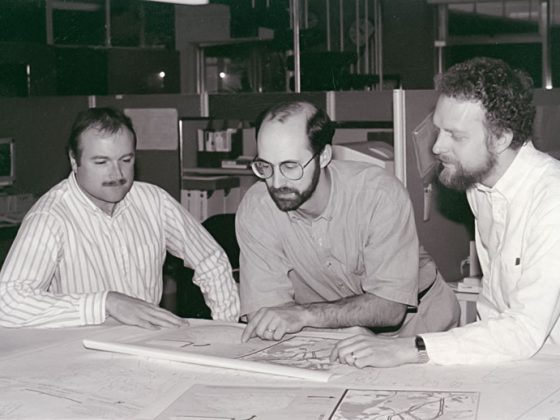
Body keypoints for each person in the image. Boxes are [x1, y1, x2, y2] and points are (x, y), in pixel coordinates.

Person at [330, 56, 560, 367]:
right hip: (516, 365)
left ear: (502, 138)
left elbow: (524, 329)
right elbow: (494, 308)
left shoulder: (551, 200)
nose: (437, 147)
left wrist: (411, 348)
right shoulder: (479, 186)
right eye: (439, 130)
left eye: (457, 135)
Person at [236, 100, 460, 343]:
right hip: (330, 331)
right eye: (265, 167)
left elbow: (390, 308)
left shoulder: (377, 193)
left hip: (418, 325)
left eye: (290, 167)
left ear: (323, 156)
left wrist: (303, 314)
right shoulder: (258, 208)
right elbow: (270, 312)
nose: (276, 183)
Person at [0, 107, 240, 328]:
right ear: (74, 161)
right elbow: (7, 303)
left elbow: (211, 261)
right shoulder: (51, 216)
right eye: (101, 162)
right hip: (79, 352)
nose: (117, 173)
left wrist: (226, 329)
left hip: (145, 343)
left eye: (126, 160)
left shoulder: (153, 201)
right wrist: (105, 303)